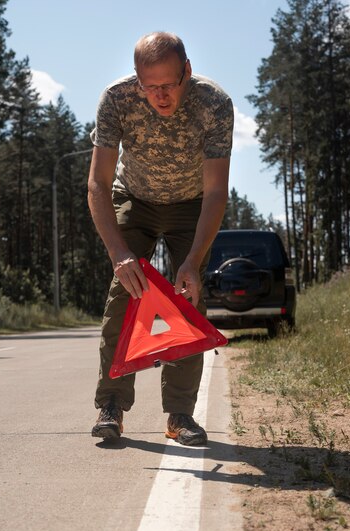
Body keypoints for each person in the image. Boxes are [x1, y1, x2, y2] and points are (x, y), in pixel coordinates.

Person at [88, 31, 233, 446]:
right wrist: (119, 253)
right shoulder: (116, 99)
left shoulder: (214, 103)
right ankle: (111, 406)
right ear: (137, 79)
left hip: (192, 203)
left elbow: (217, 191)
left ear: (187, 70)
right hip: (134, 197)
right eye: (150, 87)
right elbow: (97, 183)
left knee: (187, 296)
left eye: (169, 84)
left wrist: (192, 261)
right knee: (126, 291)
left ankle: (180, 415)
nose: (160, 96)